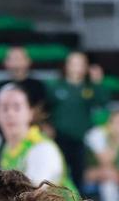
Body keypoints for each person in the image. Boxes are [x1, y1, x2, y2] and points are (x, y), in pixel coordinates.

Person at [47, 51, 109, 192]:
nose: (76, 67)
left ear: (86, 67)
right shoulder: (55, 86)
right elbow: (46, 110)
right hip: (59, 138)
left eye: (80, 63)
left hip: (81, 139)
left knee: (79, 177)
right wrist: (48, 127)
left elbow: (102, 102)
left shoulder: (90, 88)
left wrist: (98, 82)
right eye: (73, 63)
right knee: (57, 174)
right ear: (66, 66)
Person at [0, 46, 47, 123]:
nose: (16, 63)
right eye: (13, 59)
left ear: (28, 61)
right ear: (5, 62)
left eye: (19, 58)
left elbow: (42, 109)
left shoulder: (38, 86)